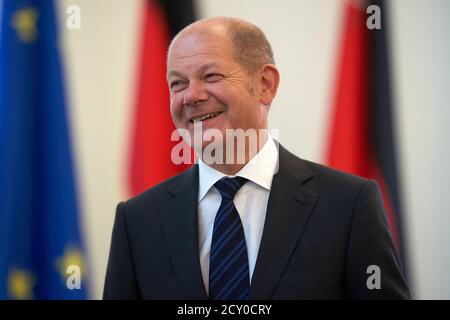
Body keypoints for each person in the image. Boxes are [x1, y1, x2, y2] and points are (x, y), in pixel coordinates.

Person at [103, 17, 410, 299]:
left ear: (265, 85)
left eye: (211, 75)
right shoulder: (137, 220)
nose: (190, 96)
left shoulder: (348, 204)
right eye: (177, 83)